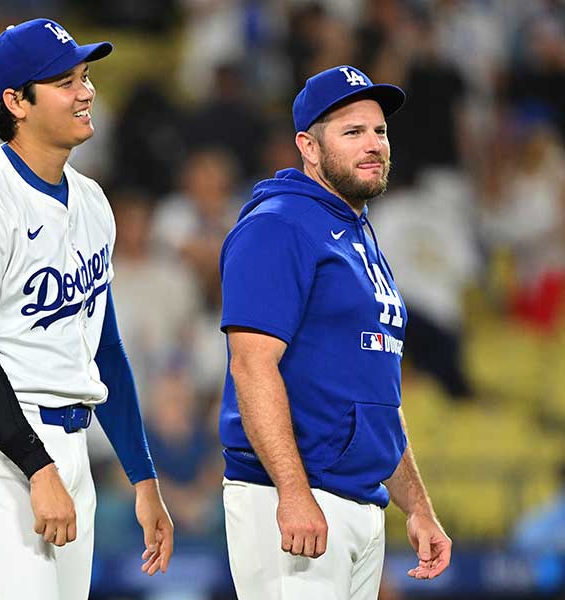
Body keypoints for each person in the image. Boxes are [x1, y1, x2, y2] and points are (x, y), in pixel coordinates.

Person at [0, 18, 173, 600]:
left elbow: (104, 349)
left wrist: (142, 475)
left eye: (85, 77)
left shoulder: (91, 201)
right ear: (16, 101)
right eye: (64, 81)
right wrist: (37, 467)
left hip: (66, 445)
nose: (85, 92)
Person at [218, 65, 452, 599]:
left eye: (380, 131)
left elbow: (375, 396)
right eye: (352, 133)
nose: (373, 145)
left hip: (358, 504)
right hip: (295, 502)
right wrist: (294, 493)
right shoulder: (278, 226)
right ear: (309, 147)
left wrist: (417, 506)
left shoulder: (356, 234)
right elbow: (251, 365)